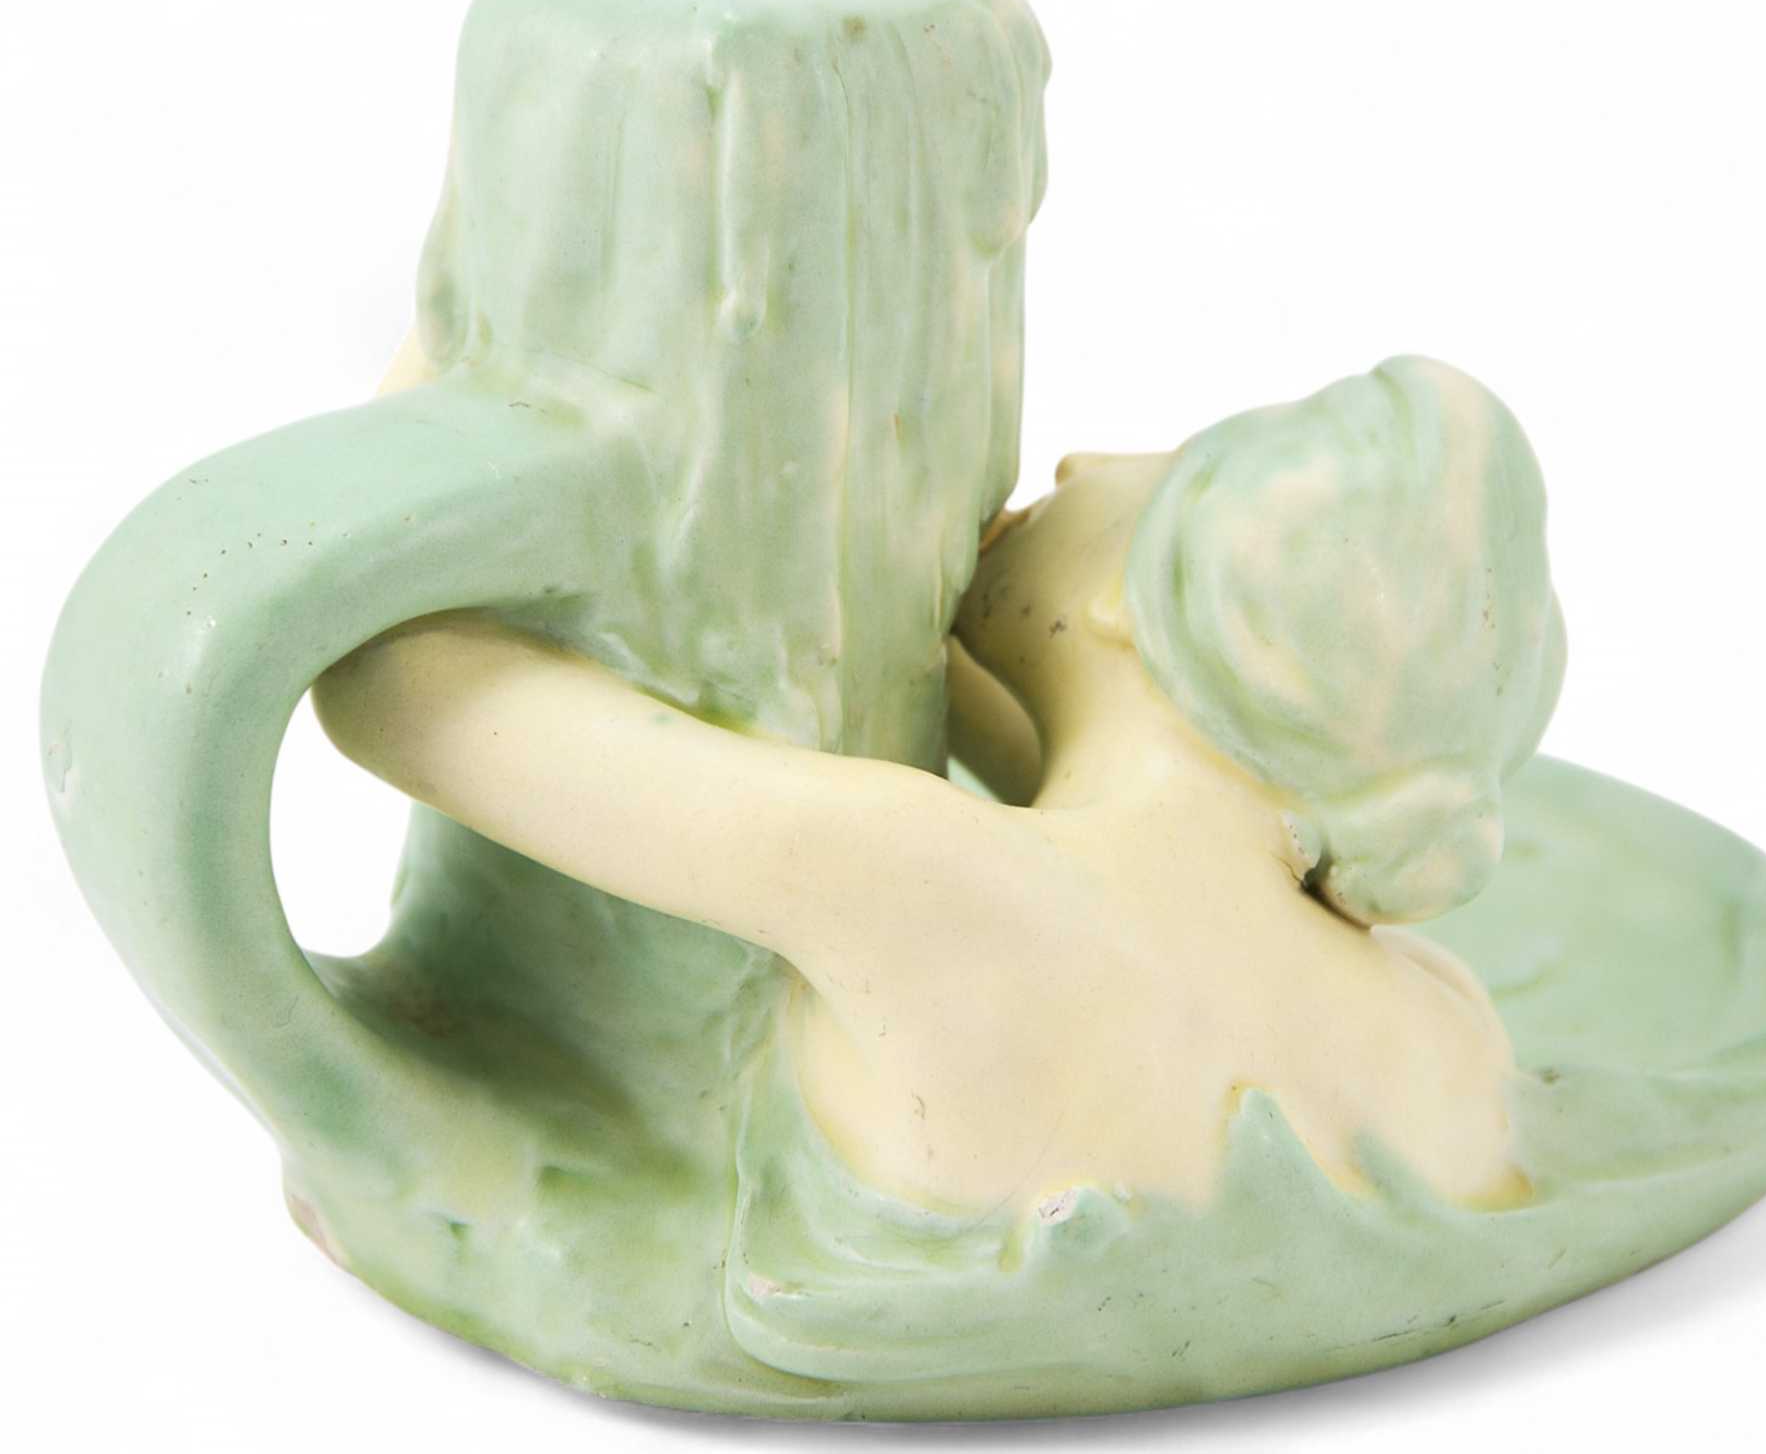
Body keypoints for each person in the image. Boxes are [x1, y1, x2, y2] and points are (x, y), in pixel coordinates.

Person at [314, 356, 1563, 1218]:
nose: (1082, 457)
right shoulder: (1440, 1028)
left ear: (1135, 605)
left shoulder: (929, 883)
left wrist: (449, 356)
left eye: (1161, 466)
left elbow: (395, 682)